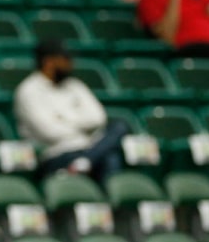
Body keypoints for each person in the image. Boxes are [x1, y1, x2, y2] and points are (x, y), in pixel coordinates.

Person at [14, 38, 128, 186]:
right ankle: (88, 165)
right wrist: (83, 127)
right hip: (56, 154)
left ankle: (85, 161)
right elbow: (50, 132)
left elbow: (98, 118)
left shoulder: (75, 86)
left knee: (119, 127)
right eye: (65, 58)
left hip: (88, 148)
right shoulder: (29, 90)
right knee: (110, 157)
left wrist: (63, 118)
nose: (70, 63)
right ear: (48, 61)